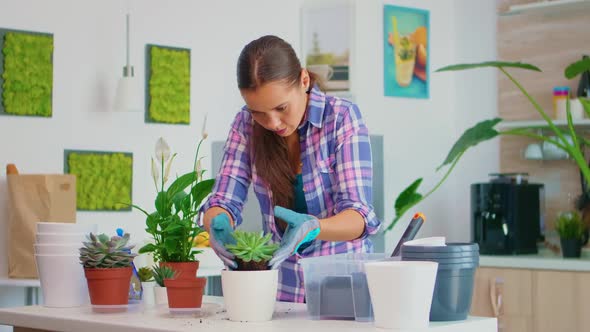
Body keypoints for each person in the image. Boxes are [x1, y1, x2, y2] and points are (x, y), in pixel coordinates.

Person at [201, 35, 380, 303]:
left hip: (343, 286)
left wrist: (314, 227)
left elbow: (359, 216)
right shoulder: (245, 124)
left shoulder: (341, 118)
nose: (272, 122)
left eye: (281, 108)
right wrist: (217, 224)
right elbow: (223, 200)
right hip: (282, 290)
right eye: (258, 112)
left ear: (304, 81)